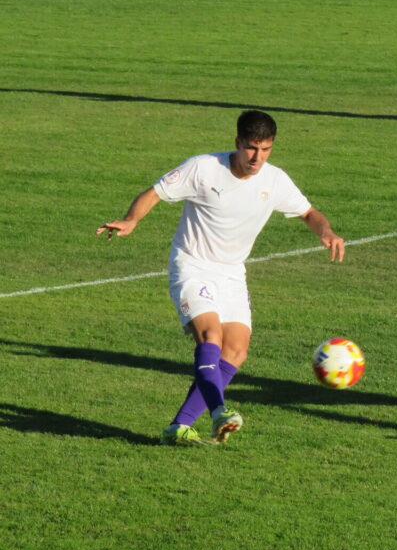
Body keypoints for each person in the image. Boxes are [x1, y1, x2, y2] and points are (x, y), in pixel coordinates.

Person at [96, 110, 345, 446]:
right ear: (237, 142)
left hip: (232, 273)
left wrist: (326, 231)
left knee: (236, 352)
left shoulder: (274, 180)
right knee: (210, 335)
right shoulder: (203, 168)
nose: (258, 158)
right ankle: (219, 413)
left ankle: (178, 427)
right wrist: (131, 220)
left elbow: (309, 213)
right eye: (252, 148)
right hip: (193, 265)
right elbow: (154, 192)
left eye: (266, 149)